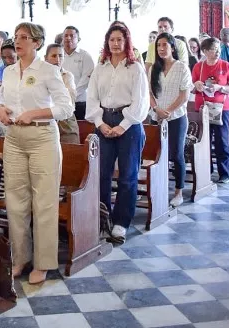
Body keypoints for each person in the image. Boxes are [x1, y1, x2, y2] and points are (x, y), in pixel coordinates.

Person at [0, 22, 73, 284]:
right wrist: (1, 110)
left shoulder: (48, 71)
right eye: (16, 36)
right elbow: (3, 99)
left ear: (37, 43)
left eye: (24, 37)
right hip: (14, 138)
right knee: (16, 201)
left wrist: (34, 114)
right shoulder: (8, 71)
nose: (18, 41)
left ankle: (44, 262)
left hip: (41, 137)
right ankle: (21, 258)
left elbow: (66, 108)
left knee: (44, 202)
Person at [85, 25, 150, 243]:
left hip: (129, 124)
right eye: (112, 40)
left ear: (126, 42)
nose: (115, 44)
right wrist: (100, 123)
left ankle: (121, 222)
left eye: (119, 40)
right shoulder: (101, 67)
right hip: (104, 121)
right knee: (102, 175)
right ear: (107, 42)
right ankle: (104, 220)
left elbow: (141, 101)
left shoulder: (135, 68)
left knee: (128, 176)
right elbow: (92, 97)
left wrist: (123, 125)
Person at [149, 33, 192, 207]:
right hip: (157, 117)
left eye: (165, 45)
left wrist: (168, 110)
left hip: (176, 117)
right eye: (158, 45)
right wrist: (156, 109)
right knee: (157, 155)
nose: (161, 48)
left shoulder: (182, 67)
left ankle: (178, 192)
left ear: (172, 47)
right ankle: (158, 189)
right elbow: (149, 93)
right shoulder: (153, 68)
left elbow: (184, 94)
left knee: (176, 154)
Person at [192, 37, 229, 183]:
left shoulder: (226, 66)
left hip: (222, 109)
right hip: (202, 109)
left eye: (218, 48)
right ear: (205, 51)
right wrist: (197, 85)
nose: (217, 52)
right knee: (203, 141)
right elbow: (191, 89)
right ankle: (206, 171)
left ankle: (224, 173)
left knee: (221, 140)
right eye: (213, 49)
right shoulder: (198, 67)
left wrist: (221, 88)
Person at [45, 43, 79, 143]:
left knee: (70, 152)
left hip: (65, 119)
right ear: (46, 58)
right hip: (46, 118)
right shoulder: (40, 76)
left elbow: (70, 97)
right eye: (54, 56)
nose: (58, 59)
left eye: (60, 56)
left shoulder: (67, 76)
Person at [62, 26, 95, 120]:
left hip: (80, 102)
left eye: (72, 36)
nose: (68, 38)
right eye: (66, 36)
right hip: (60, 103)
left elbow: (86, 80)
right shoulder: (58, 55)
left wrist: (72, 95)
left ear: (78, 39)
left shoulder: (85, 56)